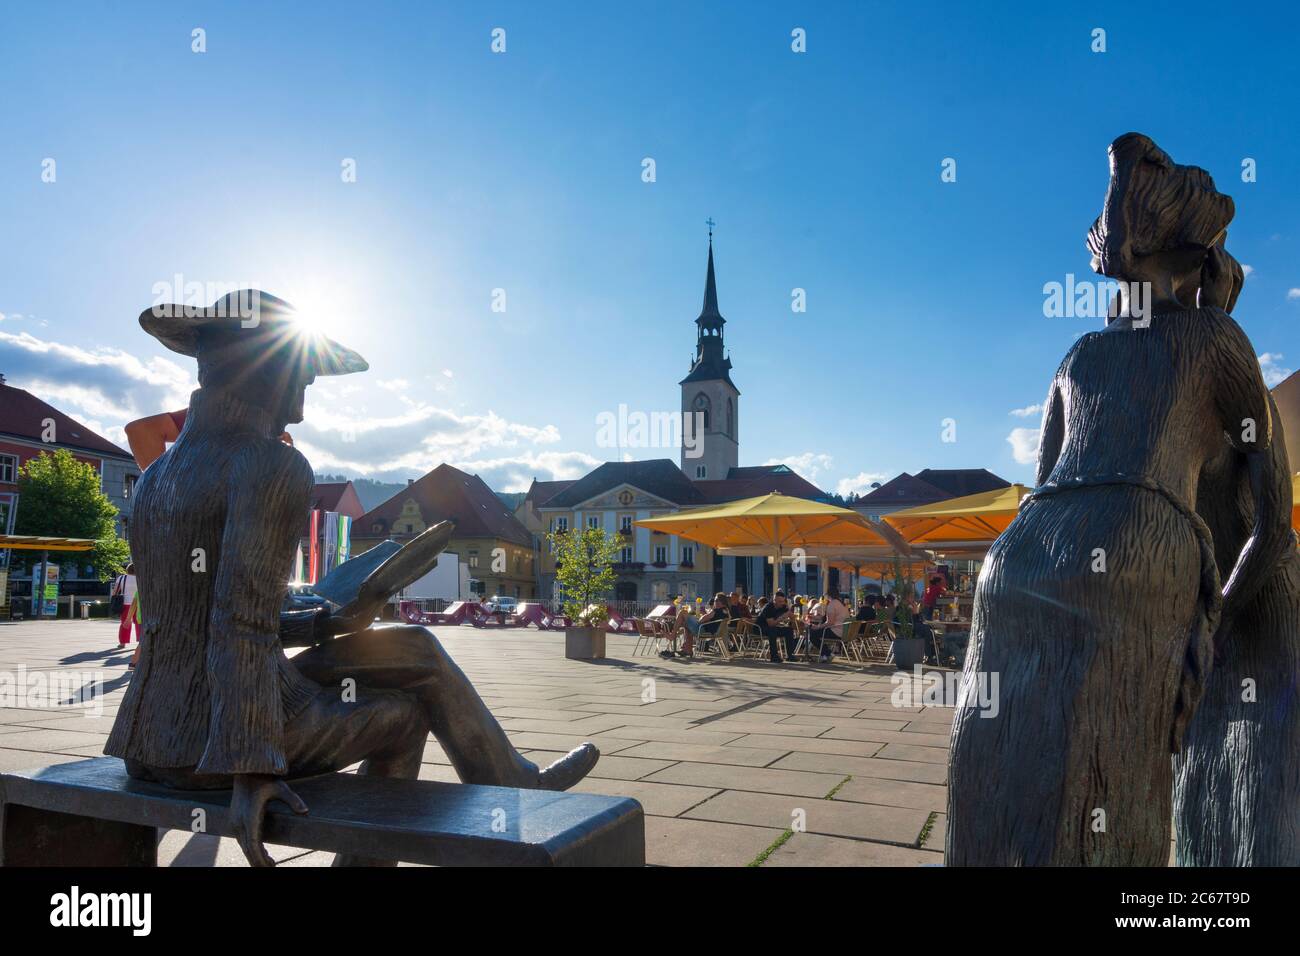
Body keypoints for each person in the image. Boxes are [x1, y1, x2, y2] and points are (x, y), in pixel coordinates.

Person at [105, 290, 598, 867]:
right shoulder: (268, 463)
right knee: (405, 717)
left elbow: (203, 608)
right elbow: (234, 619)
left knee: (415, 646)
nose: (302, 404)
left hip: (149, 736)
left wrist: (322, 615)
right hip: (214, 744)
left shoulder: (158, 474)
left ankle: (515, 778)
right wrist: (250, 768)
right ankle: (504, 792)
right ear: (264, 373)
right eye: (303, 379)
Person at [756, 590, 797, 663]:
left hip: (772, 628)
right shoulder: (768, 607)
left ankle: (790, 655)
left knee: (789, 630)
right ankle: (774, 656)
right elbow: (771, 624)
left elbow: (790, 615)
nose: (782, 603)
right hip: (760, 628)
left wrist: (792, 620)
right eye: (780, 601)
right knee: (773, 630)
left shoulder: (783, 606)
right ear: (774, 600)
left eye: (783, 601)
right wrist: (782, 617)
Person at [808, 590, 848, 663]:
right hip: (844, 631)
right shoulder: (841, 604)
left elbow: (830, 622)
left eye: (825, 595)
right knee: (816, 633)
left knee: (812, 634)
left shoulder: (832, 605)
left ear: (828, 595)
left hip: (836, 631)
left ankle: (827, 654)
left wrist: (818, 627)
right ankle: (825, 655)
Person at [113, 564, 139, 649]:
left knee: (125, 622)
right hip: (138, 603)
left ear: (127, 570)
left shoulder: (121, 578)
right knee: (139, 623)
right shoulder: (140, 578)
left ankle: (123, 642)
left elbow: (115, 592)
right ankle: (141, 641)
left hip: (125, 603)